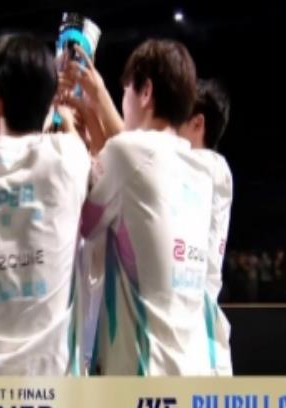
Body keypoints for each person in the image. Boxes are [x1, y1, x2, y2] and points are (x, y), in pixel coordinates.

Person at [0, 33, 90, 375]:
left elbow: (1, 151)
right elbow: (63, 141)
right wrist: (60, 109)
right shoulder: (69, 157)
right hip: (54, 382)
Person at [78, 39, 222, 375]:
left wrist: (73, 129)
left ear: (145, 92)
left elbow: (84, 223)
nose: (123, 102)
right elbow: (128, 180)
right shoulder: (203, 170)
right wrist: (94, 112)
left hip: (144, 379)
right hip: (194, 369)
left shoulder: (127, 154)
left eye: (125, 91)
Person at [178, 78, 233, 374]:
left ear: (198, 123)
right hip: (190, 327)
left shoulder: (212, 167)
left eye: (177, 118)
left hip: (200, 333)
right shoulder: (204, 169)